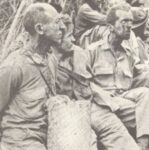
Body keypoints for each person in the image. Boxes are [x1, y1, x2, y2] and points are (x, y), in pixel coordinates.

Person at [51, 8, 141, 150]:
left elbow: (85, 88)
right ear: (55, 38)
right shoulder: (42, 63)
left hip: (94, 106)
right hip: (68, 112)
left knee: (120, 136)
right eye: (69, 36)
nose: (74, 39)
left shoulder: (78, 54)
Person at [0, 3, 65, 150]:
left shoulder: (51, 60)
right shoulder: (14, 66)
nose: (62, 27)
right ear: (40, 29)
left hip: (48, 136)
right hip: (20, 141)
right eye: (56, 22)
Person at [87, 3, 149, 150]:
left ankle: (142, 145)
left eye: (131, 21)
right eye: (124, 21)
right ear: (110, 27)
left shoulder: (128, 53)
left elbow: (137, 77)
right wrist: (106, 99)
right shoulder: (93, 51)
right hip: (101, 105)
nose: (129, 26)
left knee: (147, 94)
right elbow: (84, 83)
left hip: (123, 100)